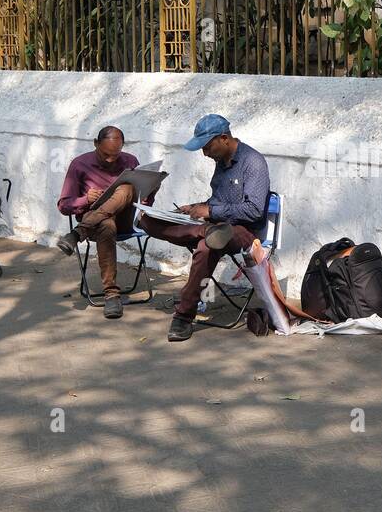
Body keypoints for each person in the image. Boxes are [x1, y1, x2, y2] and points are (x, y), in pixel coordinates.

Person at [138, 114, 270, 342]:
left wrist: (211, 212)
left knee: (207, 247)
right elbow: (218, 201)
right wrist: (200, 207)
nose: (205, 153)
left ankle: (183, 317)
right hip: (215, 229)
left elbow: (254, 210)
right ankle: (205, 231)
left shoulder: (253, 162)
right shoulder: (221, 162)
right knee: (150, 221)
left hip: (244, 232)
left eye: (207, 146)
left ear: (224, 138)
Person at [55, 126, 141, 319]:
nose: (111, 159)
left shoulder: (130, 161)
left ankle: (76, 234)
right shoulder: (79, 164)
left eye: (115, 155)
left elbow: (142, 201)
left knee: (126, 188)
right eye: (105, 154)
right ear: (95, 143)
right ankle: (111, 295)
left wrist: (151, 189)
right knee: (106, 225)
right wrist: (85, 199)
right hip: (98, 226)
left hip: (124, 220)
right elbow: (63, 205)